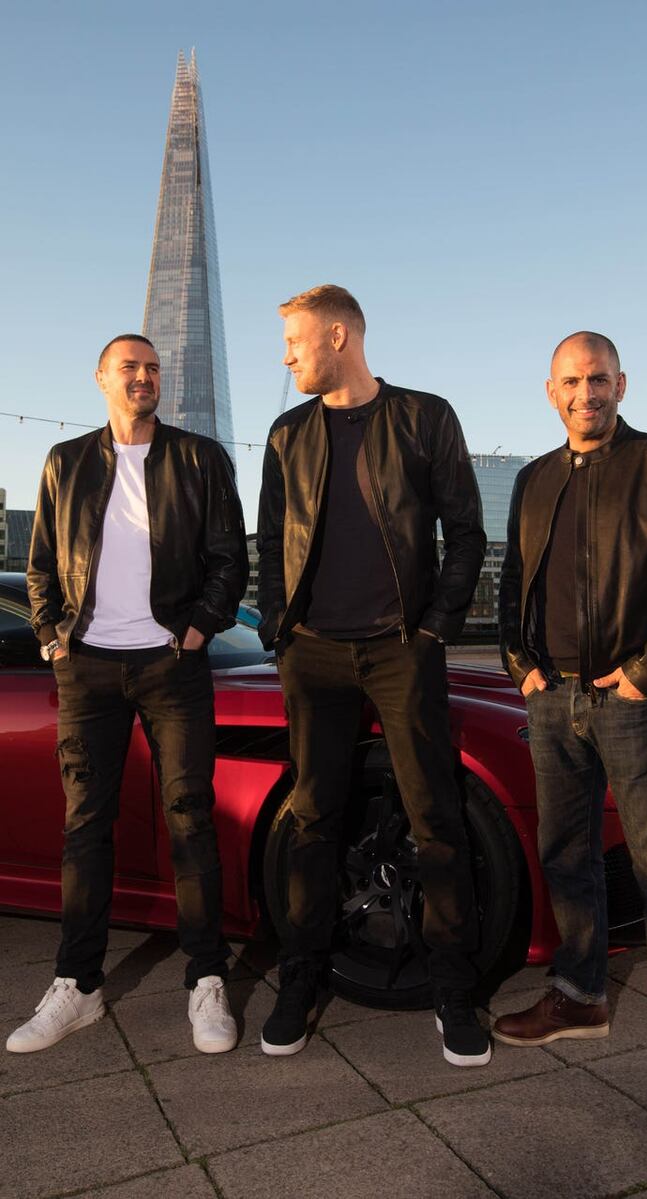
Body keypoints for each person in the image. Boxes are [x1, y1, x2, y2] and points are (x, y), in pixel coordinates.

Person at [495, 331, 647, 1119]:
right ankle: (579, 992)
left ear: (621, 383)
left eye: (598, 379)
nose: (585, 393)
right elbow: (511, 585)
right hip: (551, 697)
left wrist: (645, 674)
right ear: (550, 389)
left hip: (634, 698)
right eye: (571, 380)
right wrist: (516, 662)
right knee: (566, 856)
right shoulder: (532, 480)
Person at [257, 284, 489, 1066]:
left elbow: (465, 532)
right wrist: (277, 631)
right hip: (312, 652)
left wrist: (433, 630)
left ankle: (453, 989)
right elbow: (270, 544)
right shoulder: (287, 434)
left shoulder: (425, 417)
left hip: (400, 648)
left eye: (293, 341)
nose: (286, 356)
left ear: (337, 335)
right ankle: (300, 976)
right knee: (311, 819)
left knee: (437, 821)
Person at [7, 334, 249, 1056]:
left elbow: (230, 556)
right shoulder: (66, 460)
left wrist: (202, 627)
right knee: (86, 825)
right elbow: (42, 561)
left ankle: (206, 978)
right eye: (129, 368)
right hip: (87, 666)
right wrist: (53, 639)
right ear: (101, 379)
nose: (143, 377)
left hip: (171, 662)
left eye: (152, 368)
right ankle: (77, 985)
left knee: (190, 820)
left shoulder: (199, 457)